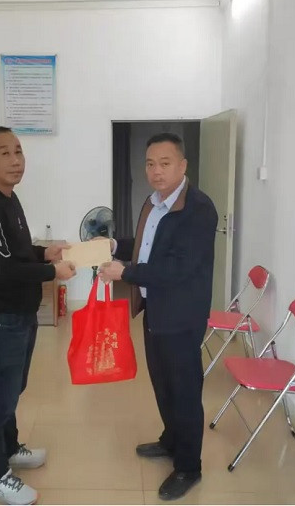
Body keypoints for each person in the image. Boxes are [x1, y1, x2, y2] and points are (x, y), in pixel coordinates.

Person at [98, 132, 218, 501]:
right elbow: (145, 247)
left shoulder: (198, 209)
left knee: (184, 390)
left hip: (182, 315)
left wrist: (125, 272)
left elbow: (177, 268)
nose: (156, 171)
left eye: (165, 163)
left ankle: (189, 467)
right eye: (150, 164)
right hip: (155, 309)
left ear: (182, 165)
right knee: (162, 383)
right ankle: (171, 440)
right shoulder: (152, 204)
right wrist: (114, 245)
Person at [0, 126, 76, 505]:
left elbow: (15, 252)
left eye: (18, 151)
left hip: (22, 314)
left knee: (12, 390)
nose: (15, 161)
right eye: (4, 153)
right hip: (1, 318)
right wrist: (51, 271)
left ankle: (9, 449)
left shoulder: (9, 200)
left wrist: (44, 253)